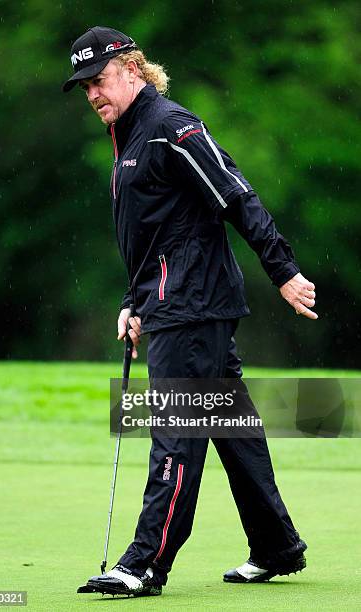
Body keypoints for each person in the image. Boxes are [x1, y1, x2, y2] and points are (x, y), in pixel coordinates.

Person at [63, 26, 317, 597]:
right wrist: (134, 302)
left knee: (177, 433)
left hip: (193, 306)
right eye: (84, 88)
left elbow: (236, 194)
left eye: (98, 81)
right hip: (174, 303)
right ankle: (277, 545)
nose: (93, 95)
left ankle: (144, 563)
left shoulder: (171, 128)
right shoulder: (128, 136)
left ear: (131, 68)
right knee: (232, 427)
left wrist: (283, 270)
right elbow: (150, 237)